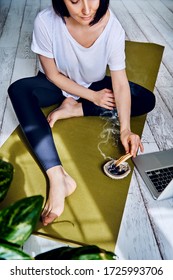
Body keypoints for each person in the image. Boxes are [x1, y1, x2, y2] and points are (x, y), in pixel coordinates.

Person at [8, 0, 155, 226]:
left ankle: (75, 109)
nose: (87, 10)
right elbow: (53, 75)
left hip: (93, 84)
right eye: (75, 1)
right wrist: (92, 97)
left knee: (145, 99)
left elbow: (121, 84)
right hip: (57, 85)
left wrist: (126, 130)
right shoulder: (45, 22)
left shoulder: (113, 28)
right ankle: (58, 178)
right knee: (18, 89)